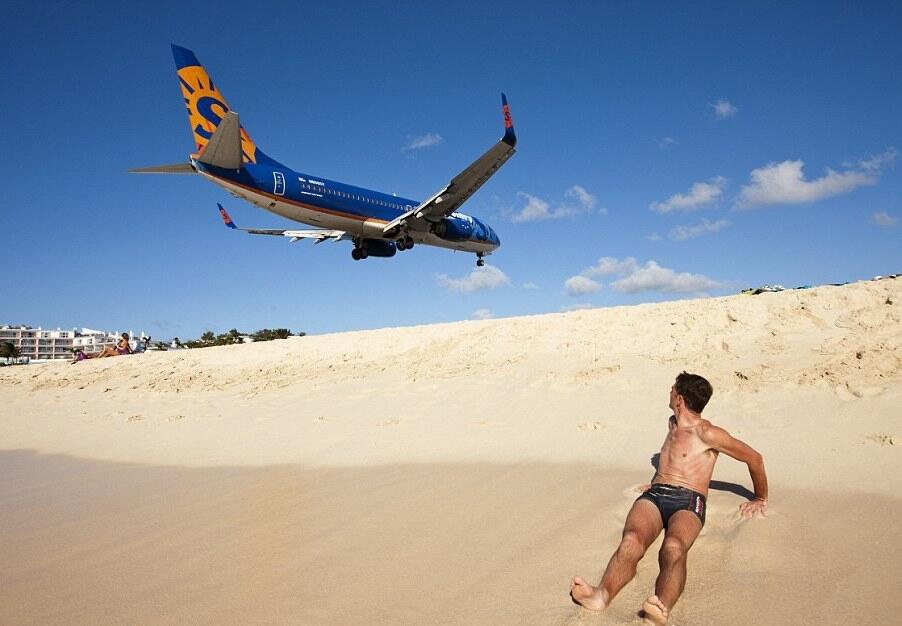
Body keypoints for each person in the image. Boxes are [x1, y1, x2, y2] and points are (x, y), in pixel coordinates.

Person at [570, 372, 768, 625]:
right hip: (655, 495)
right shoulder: (672, 423)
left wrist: (760, 497)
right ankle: (601, 595)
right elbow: (672, 459)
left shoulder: (708, 434)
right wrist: (657, 480)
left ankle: (661, 607)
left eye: (673, 389)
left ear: (680, 399)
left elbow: (755, 458)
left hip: (688, 500)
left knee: (673, 547)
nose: (670, 391)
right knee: (631, 541)